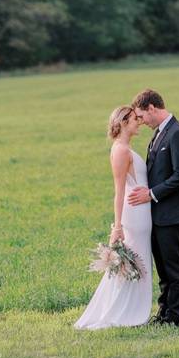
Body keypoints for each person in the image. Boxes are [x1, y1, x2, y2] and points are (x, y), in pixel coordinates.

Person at [74, 105, 153, 329]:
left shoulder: (126, 148)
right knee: (133, 264)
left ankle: (134, 308)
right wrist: (117, 226)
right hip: (134, 215)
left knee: (139, 261)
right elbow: (119, 191)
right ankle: (124, 311)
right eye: (135, 119)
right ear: (124, 123)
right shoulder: (120, 151)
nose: (139, 122)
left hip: (142, 211)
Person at [128, 88, 179, 327]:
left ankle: (174, 316)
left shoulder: (178, 134)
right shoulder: (158, 134)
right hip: (158, 215)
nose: (141, 121)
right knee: (163, 269)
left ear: (152, 108)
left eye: (141, 116)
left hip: (172, 214)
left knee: (174, 267)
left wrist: (151, 194)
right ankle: (163, 312)